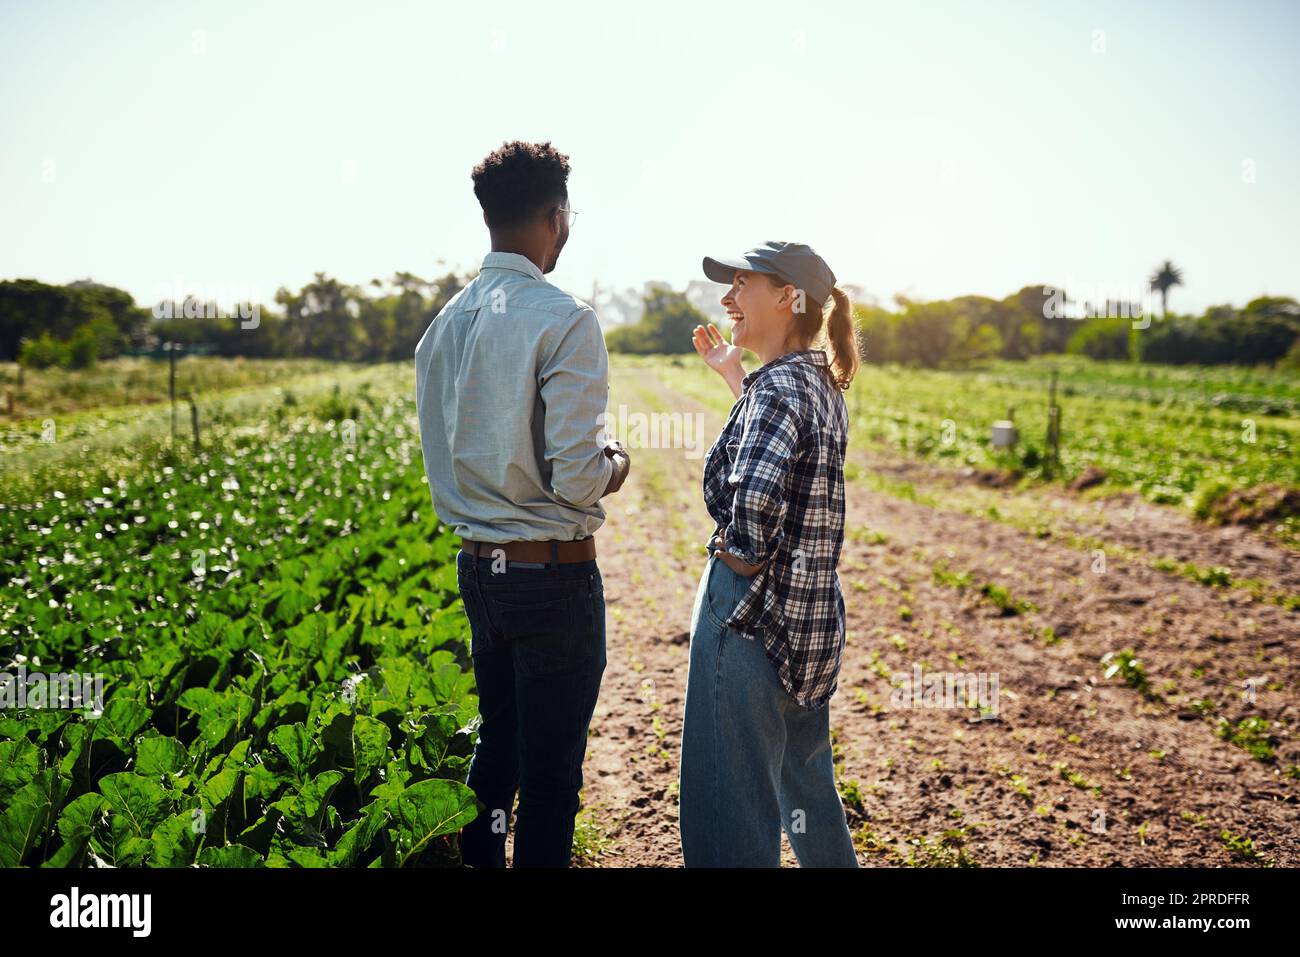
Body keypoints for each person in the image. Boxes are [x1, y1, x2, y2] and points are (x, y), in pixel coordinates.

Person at [413, 140, 631, 867]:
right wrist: (617, 463)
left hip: (480, 570)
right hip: (552, 577)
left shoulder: (442, 327)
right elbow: (577, 477)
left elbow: (445, 459)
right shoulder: (565, 318)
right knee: (550, 779)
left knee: (496, 750)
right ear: (557, 217)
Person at [679, 240, 861, 867]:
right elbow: (782, 459)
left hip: (752, 616)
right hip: (808, 621)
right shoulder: (817, 383)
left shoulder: (777, 392)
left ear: (788, 298)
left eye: (741, 285)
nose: (727, 297)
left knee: (730, 801)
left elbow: (755, 500)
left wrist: (739, 560)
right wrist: (736, 378)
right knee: (808, 782)